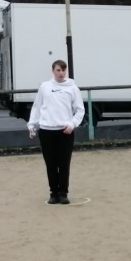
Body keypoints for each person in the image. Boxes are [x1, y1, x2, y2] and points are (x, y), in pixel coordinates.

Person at [28, 59, 85, 204]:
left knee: (64, 163)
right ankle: (53, 193)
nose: (61, 73)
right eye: (58, 70)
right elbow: (37, 107)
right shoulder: (45, 87)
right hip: (47, 131)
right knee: (50, 164)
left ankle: (63, 193)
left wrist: (72, 124)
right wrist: (32, 125)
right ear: (53, 71)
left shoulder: (72, 88)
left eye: (63, 70)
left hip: (65, 131)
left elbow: (80, 110)